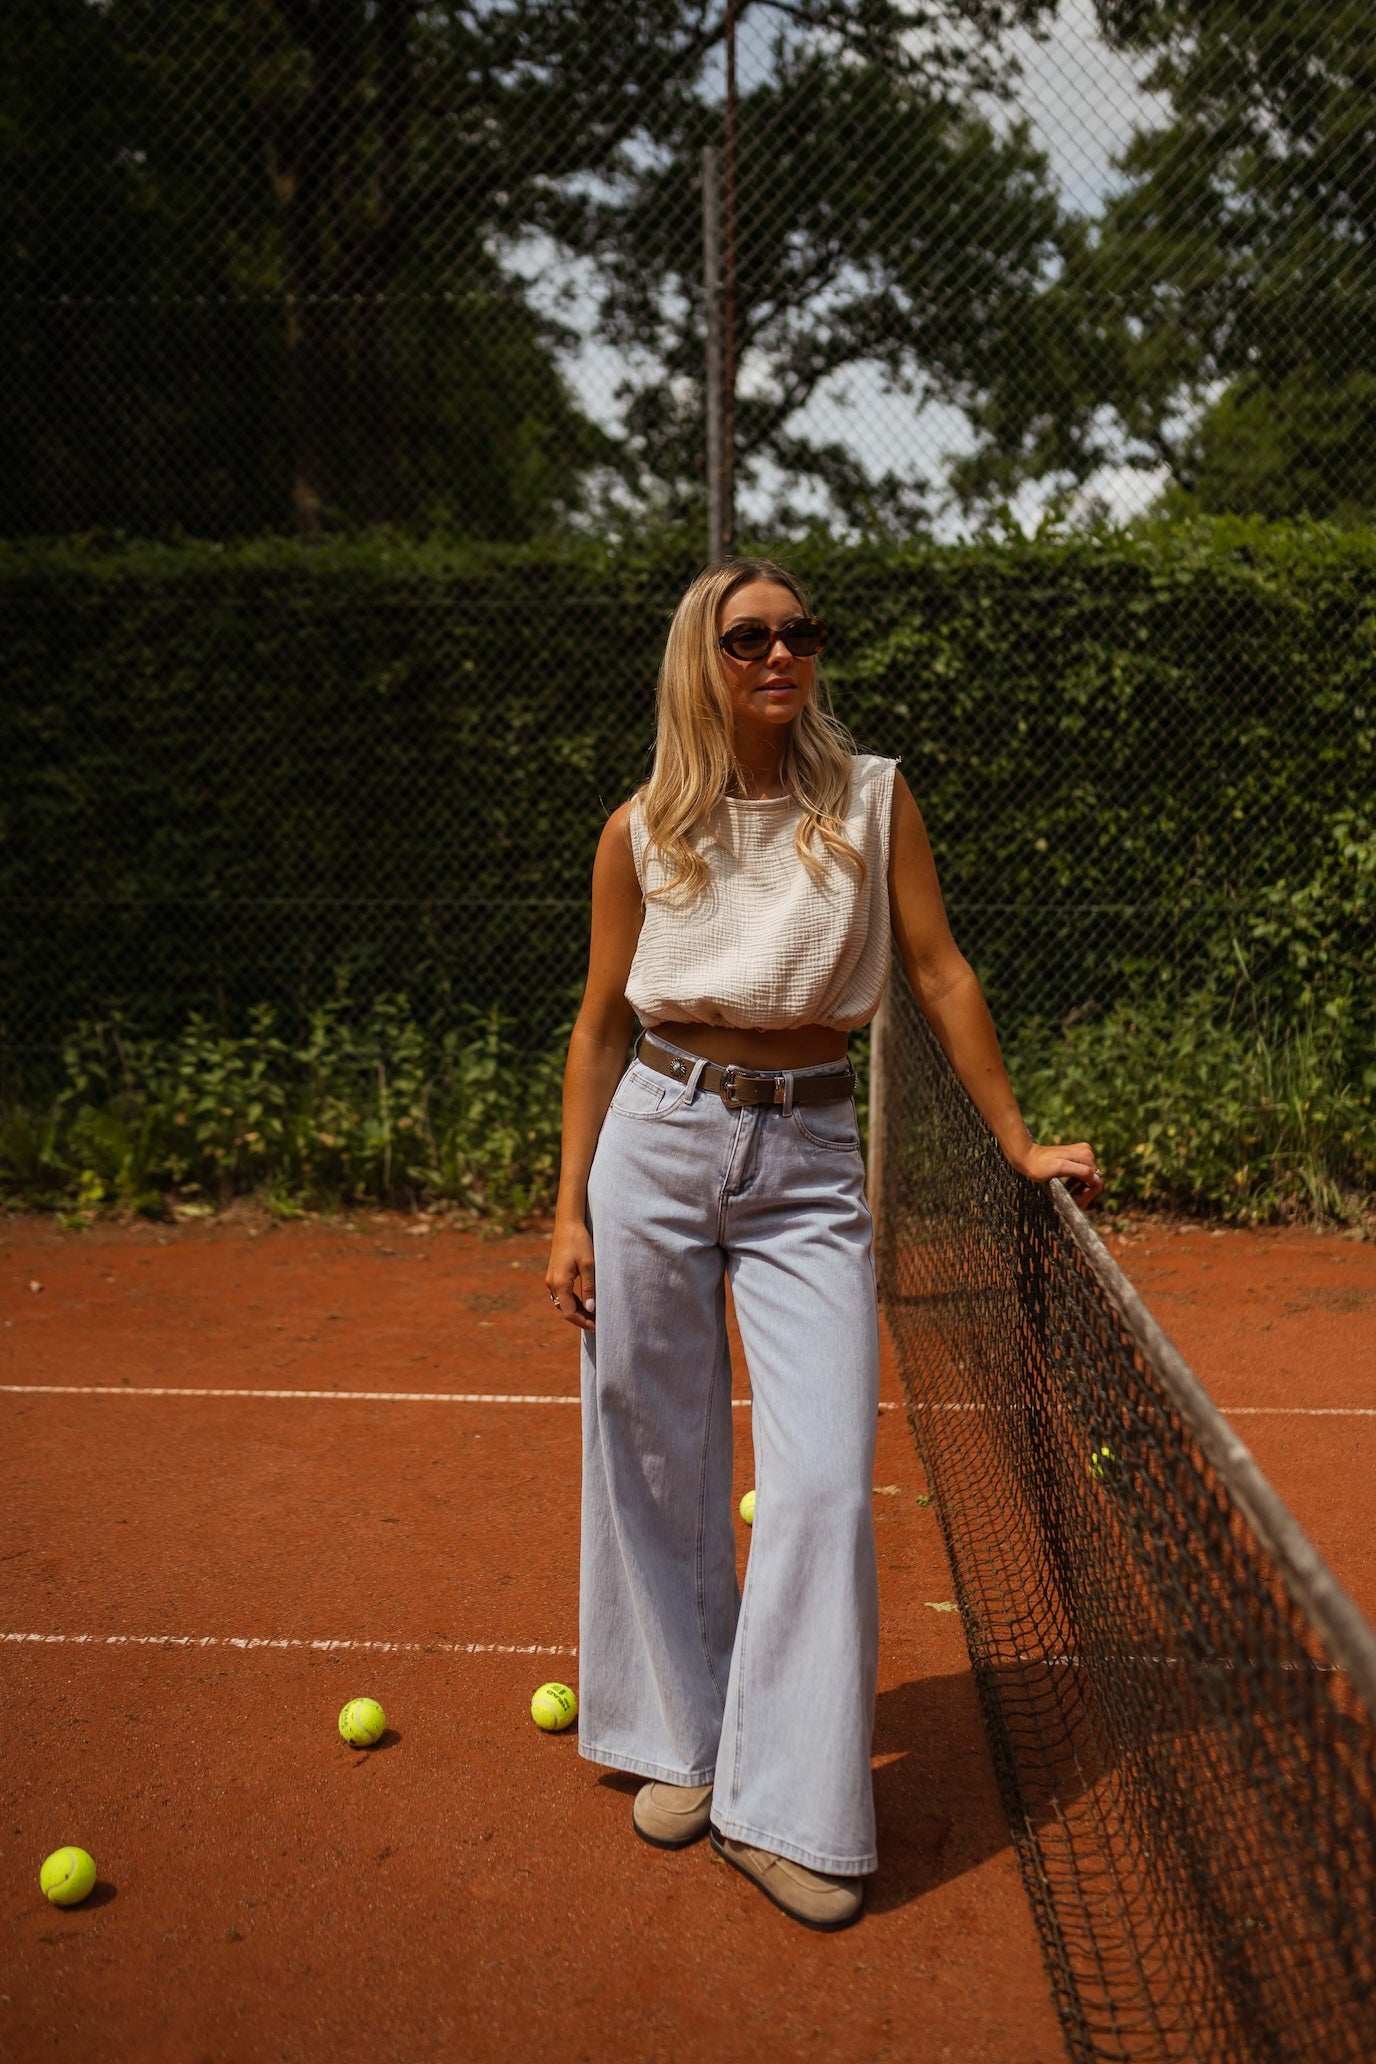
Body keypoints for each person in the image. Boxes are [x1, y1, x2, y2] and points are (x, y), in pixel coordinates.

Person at [545, 555, 1102, 1930]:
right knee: (656, 1447)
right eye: (750, 638)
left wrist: (1020, 1144)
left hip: (808, 1154)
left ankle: (784, 1808)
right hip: (656, 1146)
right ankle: (684, 1740)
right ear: (703, 658)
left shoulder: (873, 799)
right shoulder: (639, 831)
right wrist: (566, 1209)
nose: (781, 656)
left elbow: (939, 970)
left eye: (801, 634)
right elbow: (603, 1024)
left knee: (824, 1480)